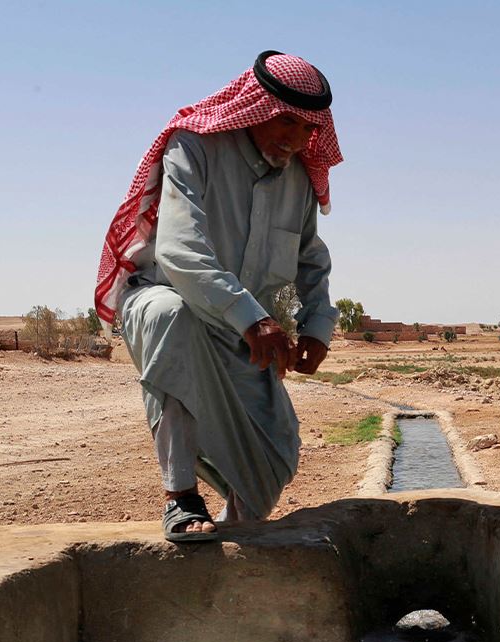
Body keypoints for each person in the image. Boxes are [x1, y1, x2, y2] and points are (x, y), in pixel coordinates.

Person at [94, 51, 343, 542]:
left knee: (272, 465)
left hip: (245, 325)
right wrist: (252, 319)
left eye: (306, 126)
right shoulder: (195, 147)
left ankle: (231, 539)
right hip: (164, 299)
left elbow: (311, 258)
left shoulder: (298, 176)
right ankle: (180, 496)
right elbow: (179, 249)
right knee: (173, 318)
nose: (294, 137)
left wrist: (317, 325)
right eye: (284, 120)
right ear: (255, 107)